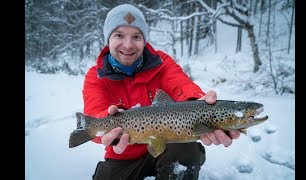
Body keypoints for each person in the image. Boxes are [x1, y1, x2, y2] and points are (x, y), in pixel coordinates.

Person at [82, 4, 241, 180]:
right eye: (119, 35)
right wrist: (110, 128)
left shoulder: (161, 62)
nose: (127, 45)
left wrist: (199, 103)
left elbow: (181, 85)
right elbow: (94, 117)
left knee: (187, 151)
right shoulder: (95, 76)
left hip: (168, 148)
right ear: (108, 39)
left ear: (144, 40)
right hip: (123, 155)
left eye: (136, 36)